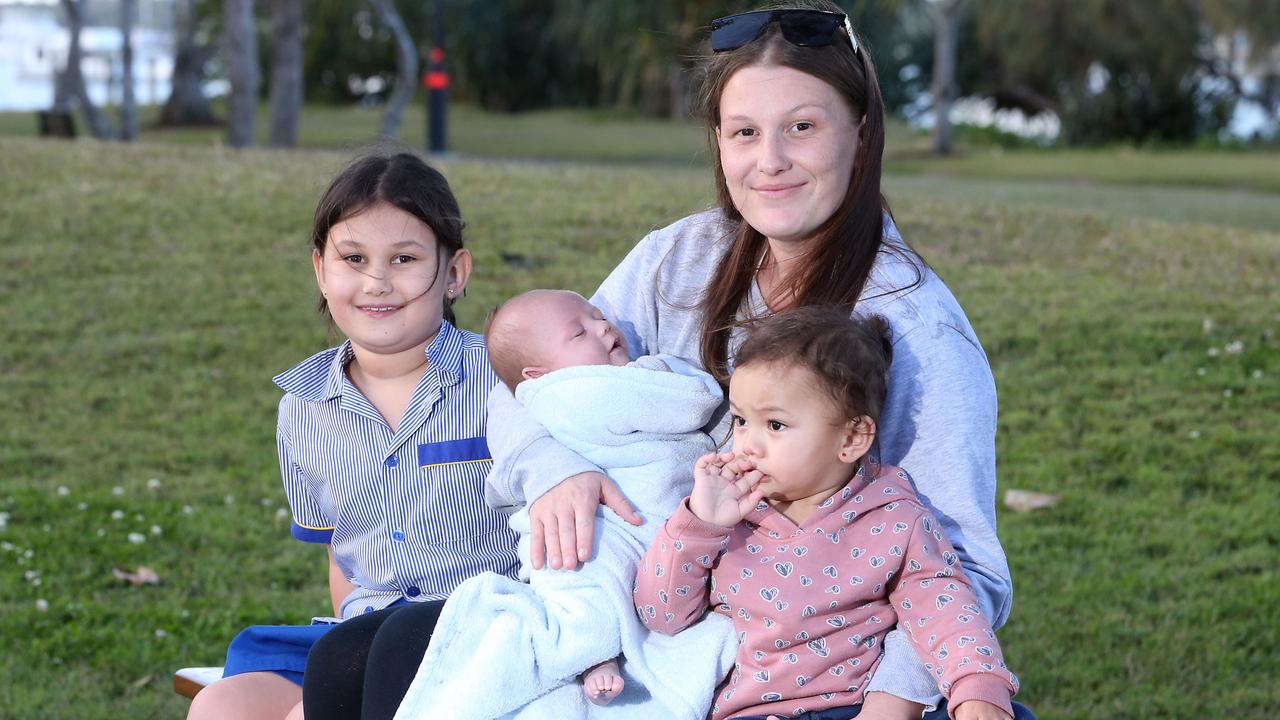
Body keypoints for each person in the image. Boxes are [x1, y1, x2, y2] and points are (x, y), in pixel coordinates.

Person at [327, 3, 1035, 718]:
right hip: (652, 609)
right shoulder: (680, 259)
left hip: (808, 675)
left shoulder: (917, 327)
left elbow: (964, 570)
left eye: (802, 127)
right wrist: (553, 469)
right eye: (745, 133)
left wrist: (891, 700)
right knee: (354, 660)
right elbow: (529, 384)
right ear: (717, 141)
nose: (771, 160)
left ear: (860, 129)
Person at [187, 150, 519, 720]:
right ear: (321, 269)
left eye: (405, 258)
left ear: (455, 273)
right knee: (224, 706)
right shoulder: (303, 406)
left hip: (481, 632)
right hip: (358, 636)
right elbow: (340, 556)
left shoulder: (500, 380)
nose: (377, 281)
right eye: (354, 258)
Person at [633, 307, 1020, 720]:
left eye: (776, 425)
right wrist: (700, 524)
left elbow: (943, 606)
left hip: (862, 703)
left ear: (852, 438)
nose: (747, 444)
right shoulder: (724, 518)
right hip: (751, 712)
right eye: (742, 420)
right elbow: (663, 615)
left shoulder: (893, 516)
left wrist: (977, 685)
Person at [391, 288, 736, 717]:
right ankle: (589, 653)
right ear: (539, 374)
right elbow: (691, 401)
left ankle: (590, 652)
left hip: (639, 526)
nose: (604, 326)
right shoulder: (584, 391)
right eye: (580, 332)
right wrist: (667, 369)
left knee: (577, 582)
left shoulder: (564, 388)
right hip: (606, 525)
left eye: (597, 316)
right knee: (583, 570)